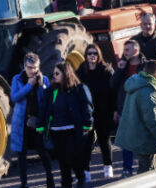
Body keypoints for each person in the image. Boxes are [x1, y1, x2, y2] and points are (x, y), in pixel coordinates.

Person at [114, 60, 156, 174]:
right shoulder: (149, 91)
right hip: (148, 142)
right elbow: (152, 120)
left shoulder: (135, 82)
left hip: (137, 137)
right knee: (150, 173)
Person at [39, 62, 94, 188]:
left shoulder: (78, 88)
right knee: (63, 161)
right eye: (54, 74)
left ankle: (80, 178)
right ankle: (66, 183)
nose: (54, 76)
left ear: (66, 74)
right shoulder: (51, 90)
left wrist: (87, 125)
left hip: (72, 130)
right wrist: (41, 126)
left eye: (57, 73)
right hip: (56, 131)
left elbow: (87, 107)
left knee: (72, 157)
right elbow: (44, 109)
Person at [10, 53, 56, 188]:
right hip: (22, 123)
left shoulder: (44, 79)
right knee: (21, 155)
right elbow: (14, 97)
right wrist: (29, 86)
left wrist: (42, 86)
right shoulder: (17, 79)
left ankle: (50, 180)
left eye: (35, 67)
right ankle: (24, 184)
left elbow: (47, 100)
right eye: (30, 68)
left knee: (44, 152)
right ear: (24, 67)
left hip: (38, 122)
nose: (33, 71)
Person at [77, 45, 115, 179]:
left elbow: (113, 92)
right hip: (87, 113)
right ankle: (86, 171)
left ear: (99, 55)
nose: (92, 56)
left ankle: (107, 166)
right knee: (86, 143)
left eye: (95, 54)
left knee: (104, 140)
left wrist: (114, 110)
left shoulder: (106, 70)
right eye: (89, 54)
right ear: (86, 56)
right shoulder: (81, 71)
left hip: (103, 112)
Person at [110, 39, 146, 177]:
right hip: (125, 108)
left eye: (127, 50)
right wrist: (119, 69)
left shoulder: (145, 66)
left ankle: (145, 167)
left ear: (136, 51)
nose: (124, 53)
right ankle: (127, 169)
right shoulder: (122, 67)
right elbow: (112, 85)